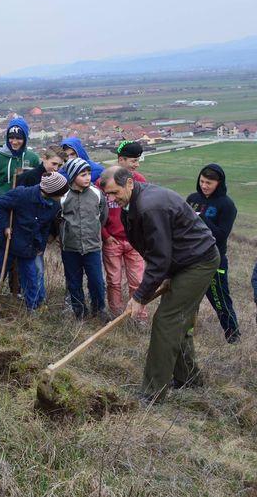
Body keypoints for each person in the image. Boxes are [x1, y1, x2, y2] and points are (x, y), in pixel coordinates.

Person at [101, 166, 220, 403]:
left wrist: (139, 297)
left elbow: (159, 257)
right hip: (182, 261)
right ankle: (189, 378)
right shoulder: (133, 203)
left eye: (115, 193)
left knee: (166, 321)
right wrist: (162, 276)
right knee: (178, 320)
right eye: (108, 195)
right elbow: (154, 249)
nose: (112, 199)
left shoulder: (149, 206)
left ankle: (153, 393)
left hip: (198, 262)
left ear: (129, 184)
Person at [0, 172, 69, 312]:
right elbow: (0, 204)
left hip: (30, 246)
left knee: (31, 276)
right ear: (51, 191)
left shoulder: (54, 205)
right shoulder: (22, 194)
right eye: (60, 193)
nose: (61, 197)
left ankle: (33, 307)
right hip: (9, 241)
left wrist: (41, 246)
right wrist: (5, 226)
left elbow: (46, 226)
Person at [0, 116, 40, 294]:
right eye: (11, 137)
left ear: (25, 138)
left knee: (19, 250)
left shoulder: (33, 159)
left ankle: (17, 290)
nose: (14, 141)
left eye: (19, 138)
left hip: (21, 213)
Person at [186, 164, 240, 343]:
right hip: (190, 258)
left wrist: (202, 219)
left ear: (219, 183)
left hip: (214, 259)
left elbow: (222, 235)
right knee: (188, 298)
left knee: (220, 300)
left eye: (209, 182)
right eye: (202, 181)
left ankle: (233, 336)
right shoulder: (192, 199)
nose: (204, 185)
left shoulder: (227, 205)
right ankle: (187, 331)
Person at [102, 140, 147, 320]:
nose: (136, 165)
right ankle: (116, 316)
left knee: (137, 281)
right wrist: (105, 235)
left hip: (134, 241)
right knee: (113, 281)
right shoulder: (103, 181)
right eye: (133, 161)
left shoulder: (140, 181)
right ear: (121, 160)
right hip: (112, 240)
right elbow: (98, 211)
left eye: (138, 161)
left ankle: (139, 317)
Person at [60, 158, 108, 320]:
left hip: (93, 246)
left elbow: (102, 215)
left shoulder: (97, 194)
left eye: (88, 174)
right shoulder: (63, 196)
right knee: (73, 281)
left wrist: (94, 231)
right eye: (83, 174)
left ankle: (98, 310)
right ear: (73, 177)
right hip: (70, 248)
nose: (88, 177)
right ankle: (80, 312)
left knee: (96, 281)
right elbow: (58, 219)